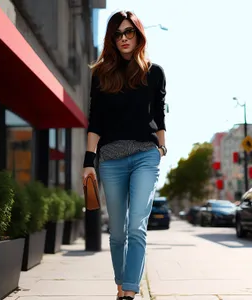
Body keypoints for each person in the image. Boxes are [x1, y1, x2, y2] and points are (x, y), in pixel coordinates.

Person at [82, 10, 167, 300]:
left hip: (145, 155)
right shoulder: (101, 74)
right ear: (112, 39)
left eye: (129, 32)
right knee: (117, 231)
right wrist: (87, 162)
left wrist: (162, 146)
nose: (123, 38)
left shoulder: (154, 73)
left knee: (136, 226)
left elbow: (159, 114)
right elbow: (95, 121)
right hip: (111, 160)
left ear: (138, 34)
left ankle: (129, 292)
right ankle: (121, 284)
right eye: (117, 34)